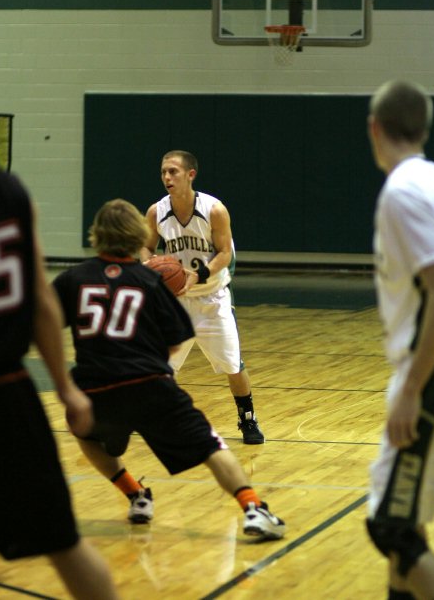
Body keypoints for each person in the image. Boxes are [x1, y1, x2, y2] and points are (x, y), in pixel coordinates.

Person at [52, 198, 285, 539]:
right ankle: (253, 508)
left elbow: (43, 322)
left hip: (95, 388)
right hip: (149, 385)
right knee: (211, 446)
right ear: (136, 234)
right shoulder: (149, 282)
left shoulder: (73, 278)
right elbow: (176, 339)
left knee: (84, 434)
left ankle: (136, 495)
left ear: (96, 234)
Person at [0, 167, 119, 600]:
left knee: (64, 541)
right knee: (63, 542)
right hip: (9, 393)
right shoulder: (12, 191)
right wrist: (65, 387)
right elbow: (42, 299)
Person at [366, 80, 434, 600]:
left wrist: (413, 388)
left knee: (390, 525)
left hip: (433, 375)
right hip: (432, 369)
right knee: (407, 523)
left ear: (375, 128)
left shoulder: (403, 191)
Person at [140, 150, 264, 444]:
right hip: (176, 302)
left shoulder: (214, 210)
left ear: (190, 174)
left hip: (212, 298)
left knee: (233, 365)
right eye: (163, 173)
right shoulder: (156, 211)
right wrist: (149, 264)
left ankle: (248, 419)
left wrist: (200, 274)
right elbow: (145, 247)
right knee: (161, 367)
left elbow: (224, 253)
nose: (167, 178)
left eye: (173, 172)